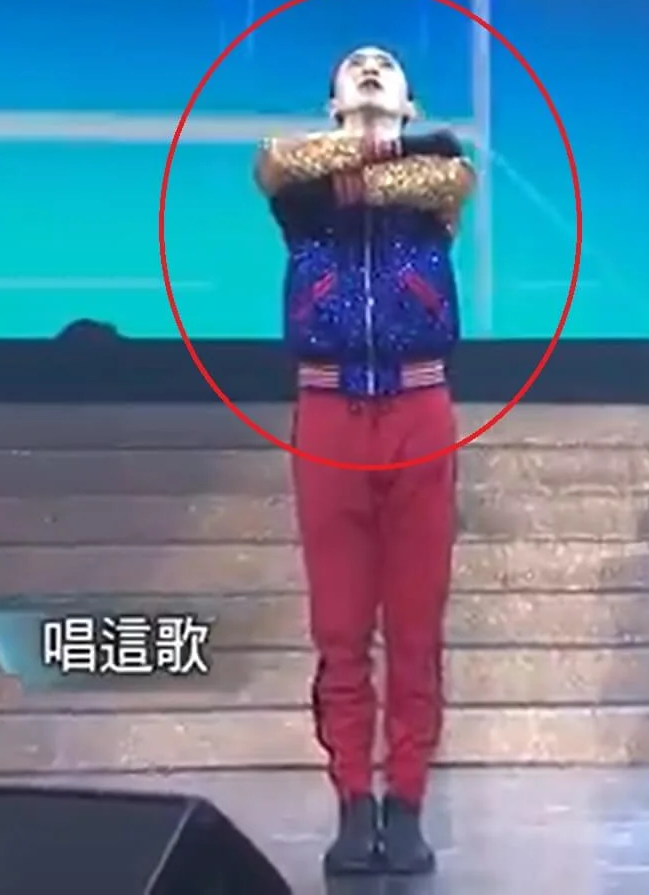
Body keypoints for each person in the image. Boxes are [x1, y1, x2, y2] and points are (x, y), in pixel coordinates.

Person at [253, 45, 474, 877]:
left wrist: (366, 160)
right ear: (331, 100)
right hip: (327, 414)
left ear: (410, 103)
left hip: (420, 409)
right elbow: (275, 166)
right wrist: (364, 154)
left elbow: (445, 179)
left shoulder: (440, 169)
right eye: (354, 65)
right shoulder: (298, 186)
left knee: (415, 625)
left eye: (386, 65)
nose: (371, 68)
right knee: (340, 626)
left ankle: (406, 799)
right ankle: (352, 797)